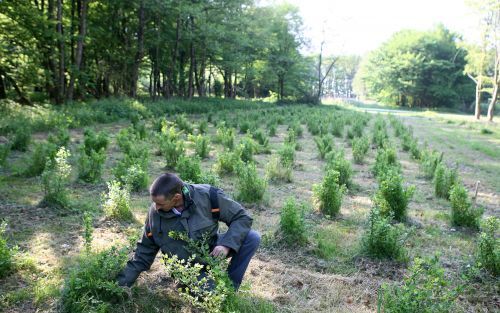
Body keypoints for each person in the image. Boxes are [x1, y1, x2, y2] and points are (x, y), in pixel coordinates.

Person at [117, 173, 260, 290]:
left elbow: (242, 218)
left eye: (160, 203)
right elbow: (143, 252)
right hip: (187, 270)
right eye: (154, 202)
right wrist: (119, 285)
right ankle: (200, 287)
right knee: (214, 294)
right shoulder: (154, 215)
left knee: (252, 237)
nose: (156, 207)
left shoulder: (208, 196)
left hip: (211, 254)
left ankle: (231, 286)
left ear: (177, 197)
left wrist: (226, 245)